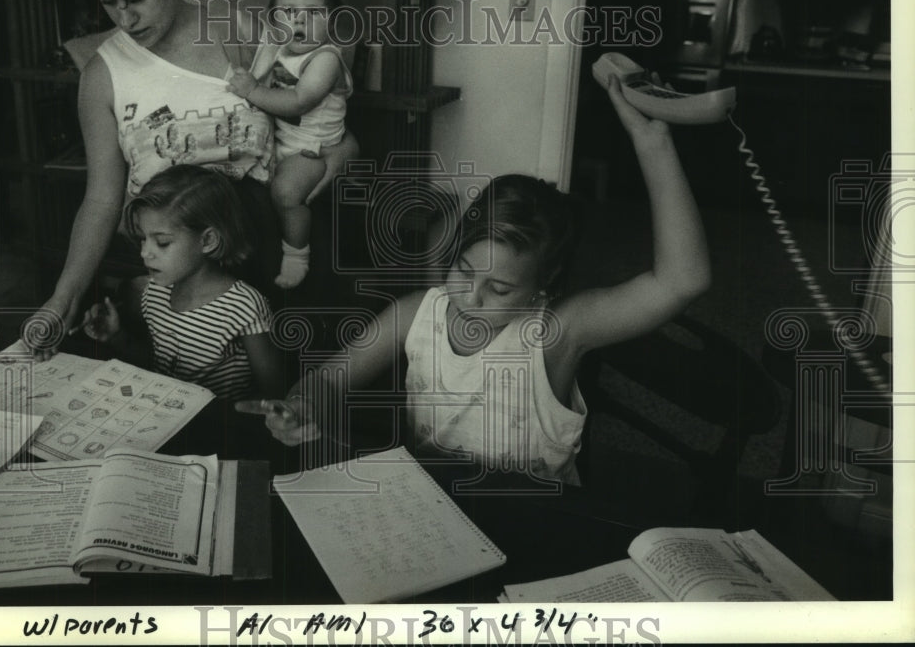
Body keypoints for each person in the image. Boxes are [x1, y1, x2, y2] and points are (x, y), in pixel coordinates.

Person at [240, 75, 711, 484]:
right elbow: (330, 379)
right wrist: (303, 405)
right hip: (436, 511)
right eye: (464, 271)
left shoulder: (556, 334)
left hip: (535, 518)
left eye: (501, 289)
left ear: (543, 288)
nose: (472, 296)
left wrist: (654, 144)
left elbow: (681, 281)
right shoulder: (418, 312)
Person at [23, 0, 357, 360]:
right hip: (174, 273)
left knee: (280, 398)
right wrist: (64, 298)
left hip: (265, 254)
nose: (126, 18)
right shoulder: (102, 76)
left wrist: (341, 150)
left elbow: (311, 111)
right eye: (108, 2)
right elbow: (101, 199)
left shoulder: (233, 30)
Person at [80, 165, 282, 402]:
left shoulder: (244, 306)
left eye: (162, 242)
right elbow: (159, 365)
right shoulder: (153, 292)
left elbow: (274, 392)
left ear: (207, 240)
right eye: (143, 239)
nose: (145, 253)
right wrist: (117, 337)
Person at [227, 0, 352, 289]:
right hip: (284, 141)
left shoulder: (325, 58)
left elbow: (300, 101)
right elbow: (252, 37)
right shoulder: (280, 46)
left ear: (333, 19)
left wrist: (253, 91)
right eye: (288, 10)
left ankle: (297, 255)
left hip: (314, 148)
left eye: (312, 12)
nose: (298, 19)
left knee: (286, 194)